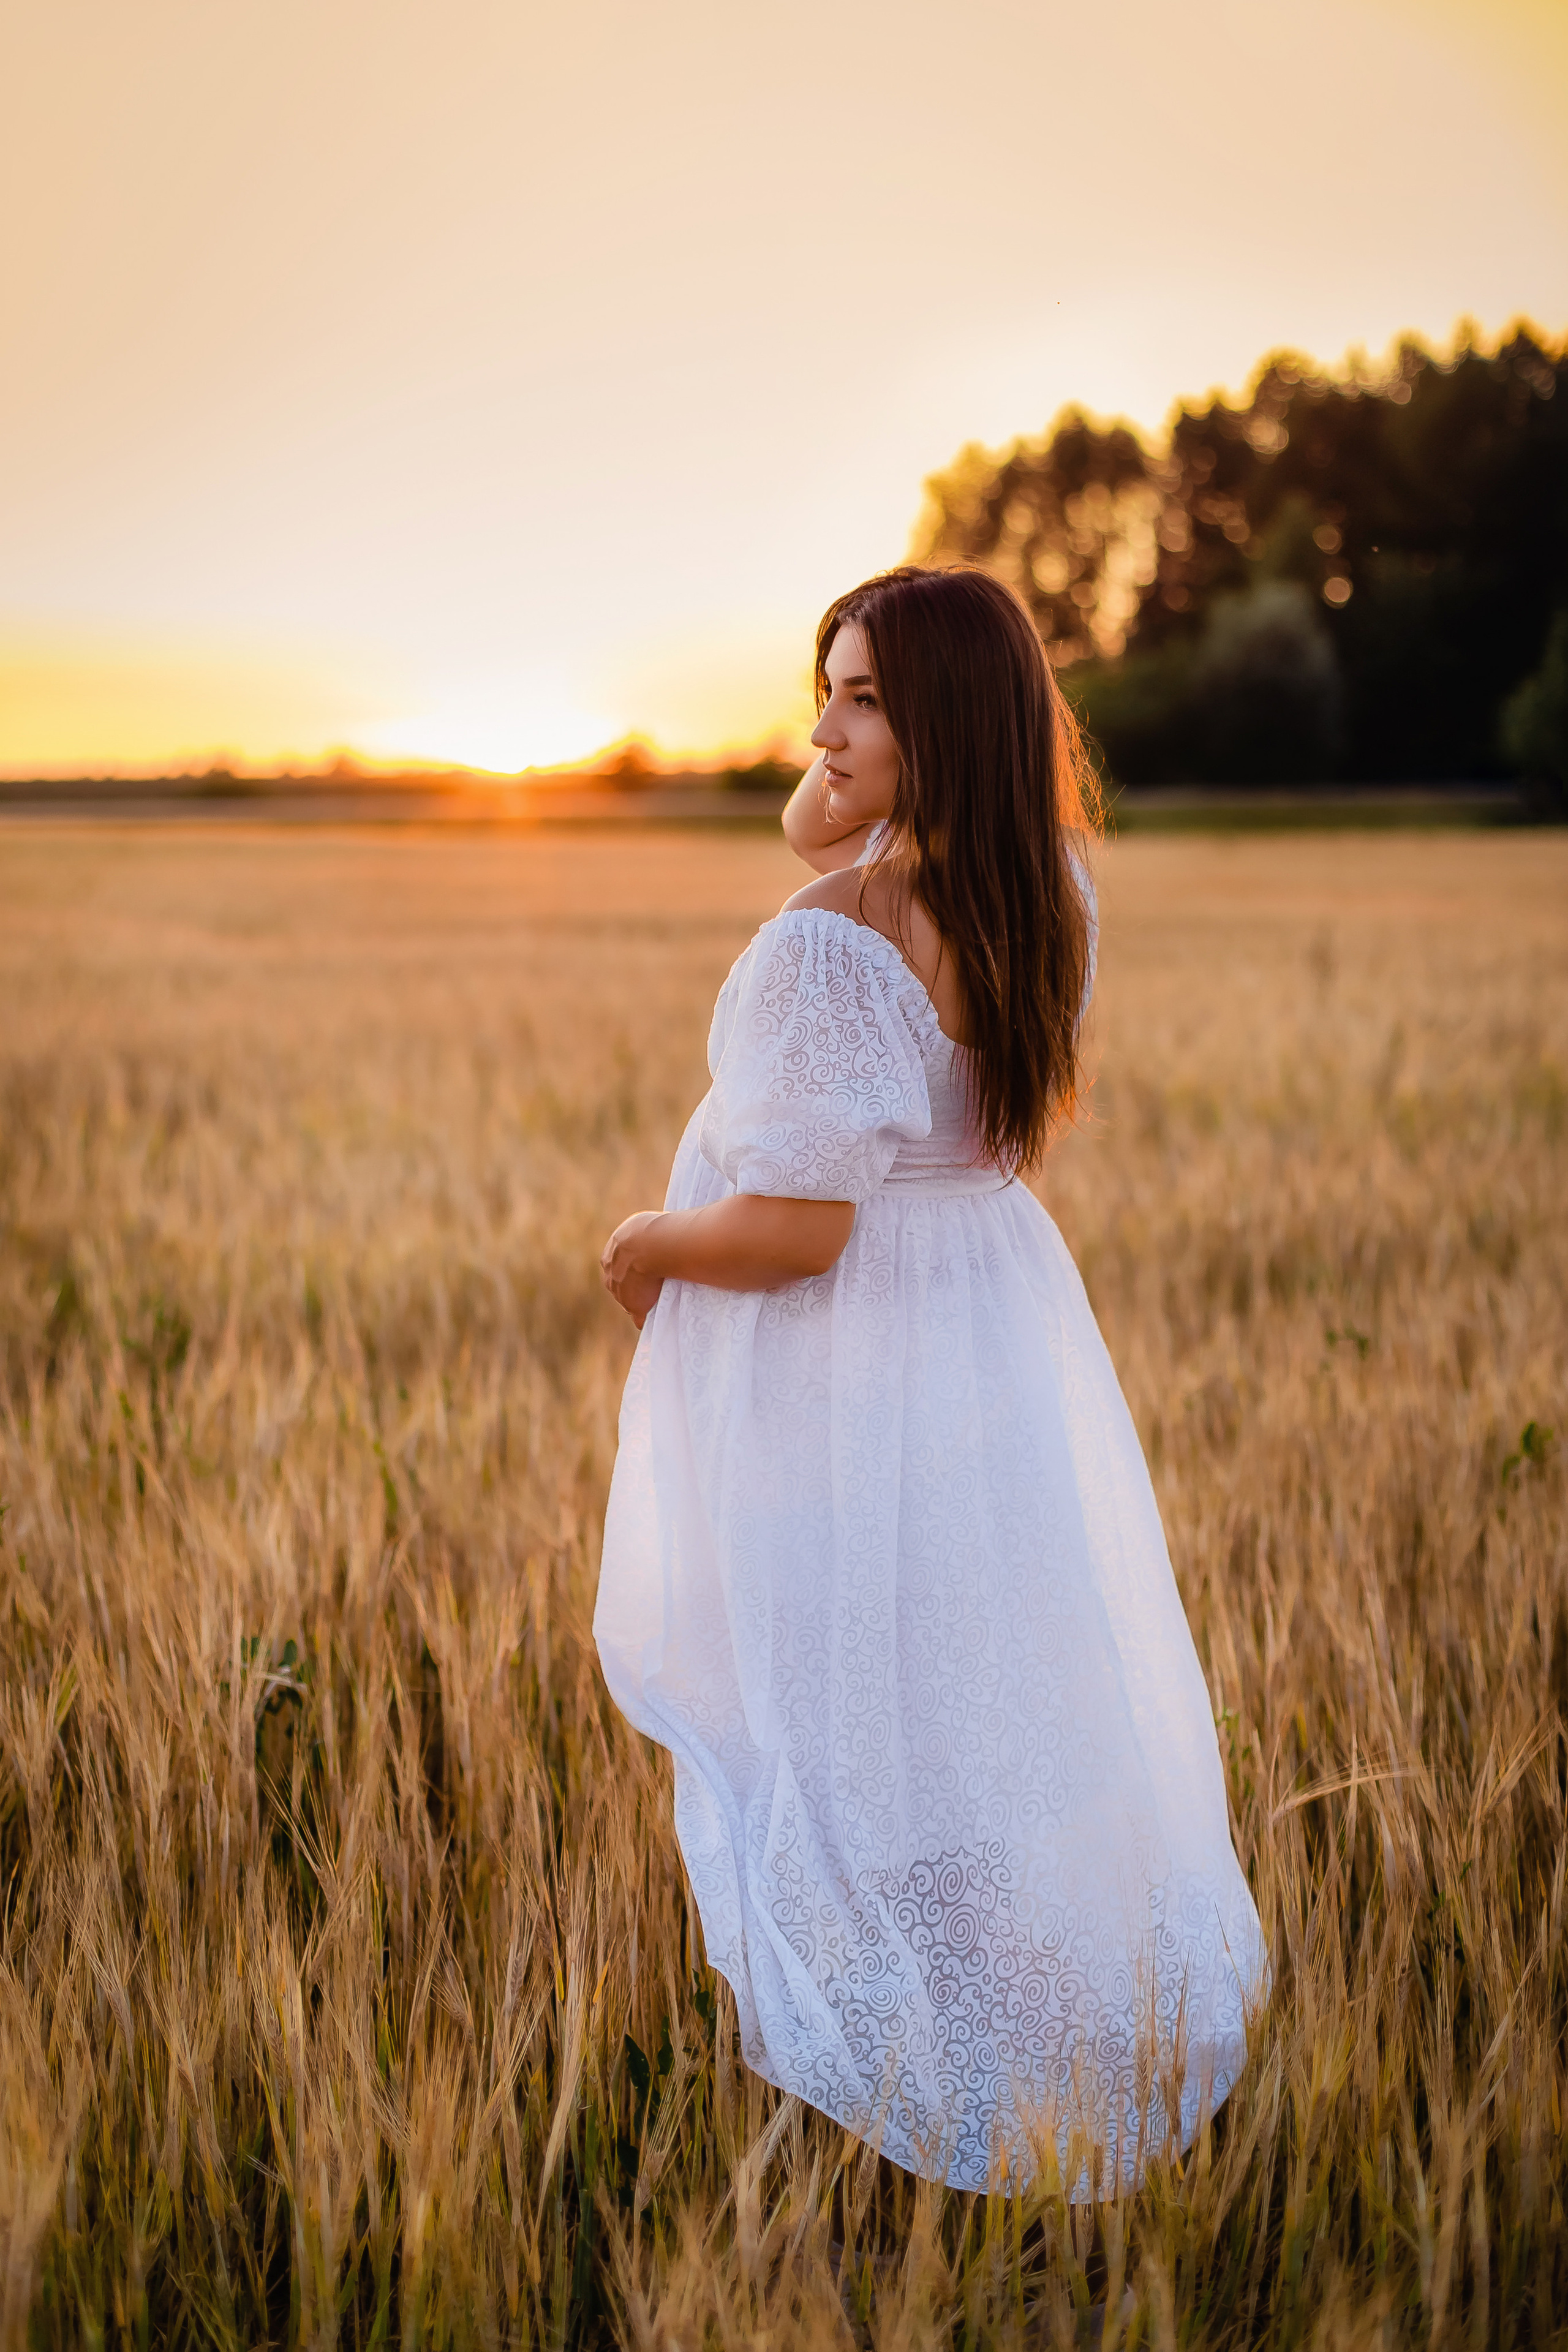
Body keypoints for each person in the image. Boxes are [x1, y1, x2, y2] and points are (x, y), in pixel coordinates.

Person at [594, 565, 1265, 2194]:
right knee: (979, 1704)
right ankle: (1026, 2043)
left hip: (856, 1366)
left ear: (949, 718)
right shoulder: (1048, 892)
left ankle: (899, 2089)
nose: (821, 731)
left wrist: (649, 1242)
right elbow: (840, 854)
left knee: (844, 1715)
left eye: (867, 700)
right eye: (822, 689)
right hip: (995, 1338)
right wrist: (839, 797)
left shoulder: (831, 948)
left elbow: (805, 1230)